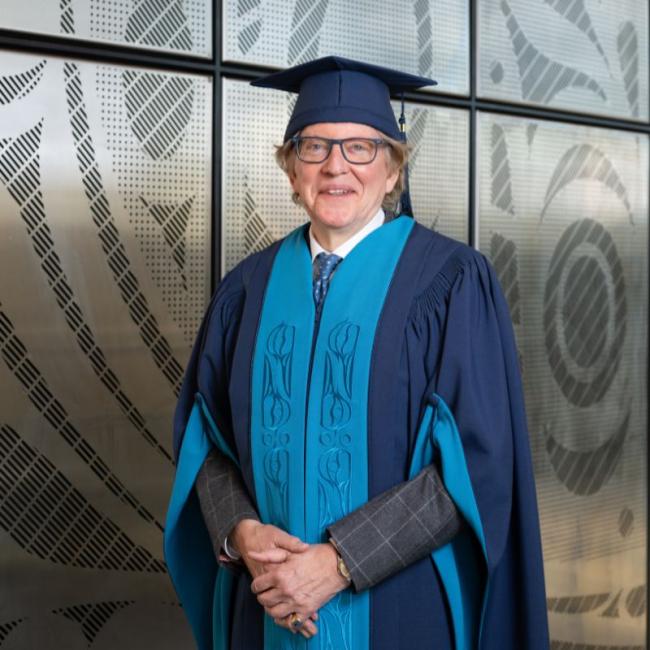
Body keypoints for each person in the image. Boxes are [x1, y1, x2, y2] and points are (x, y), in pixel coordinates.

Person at [164, 56, 549, 650]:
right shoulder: (246, 291)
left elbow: (477, 465)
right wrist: (240, 532)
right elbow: (205, 441)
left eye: (361, 149)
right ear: (292, 171)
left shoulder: (450, 283)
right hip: (263, 613)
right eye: (314, 148)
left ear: (393, 170)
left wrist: (340, 562)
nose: (336, 166)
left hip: (400, 612)